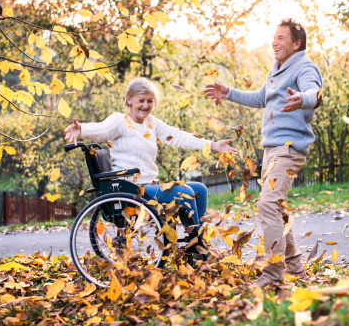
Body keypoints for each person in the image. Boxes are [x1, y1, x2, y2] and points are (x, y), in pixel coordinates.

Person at [204, 19, 323, 288]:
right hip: (272, 149)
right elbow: (261, 98)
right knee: (276, 208)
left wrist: (303, 99)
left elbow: (314, 92)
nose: (274, 42)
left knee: (267, 204)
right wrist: (229, 92)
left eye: (281, 38)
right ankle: (295, 268)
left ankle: (272, 275)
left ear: (296, 43)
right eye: (274, 37)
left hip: (289, 149)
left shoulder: (304, 66)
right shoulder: (277, 68)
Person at [64, 77, 237, 229]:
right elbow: (101, 130)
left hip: (149, 185)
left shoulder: (151, 122)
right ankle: (196, 243)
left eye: (150, 101)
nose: (146, 105)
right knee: (186, 192)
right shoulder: (119, 120)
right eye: (141, 100)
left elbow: (178, 136)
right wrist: (81, 129)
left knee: (200, 189)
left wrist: (212, 145)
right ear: (129, 99)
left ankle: (194, 237)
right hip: (133, 189)